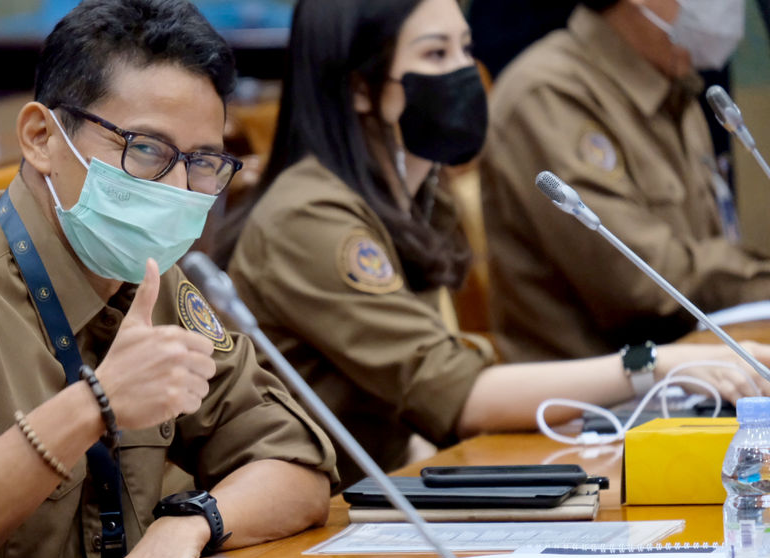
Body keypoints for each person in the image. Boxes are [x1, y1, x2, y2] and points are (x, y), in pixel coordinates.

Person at [0, 1, 337, 558]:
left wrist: (191, 522)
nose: (179, 187)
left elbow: (298, 467)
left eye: (202, 160)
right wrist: (92, 408)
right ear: (41, 137)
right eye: (147, 150)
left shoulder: (152, 279)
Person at [221, 0, 770, 488]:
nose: (465, 71)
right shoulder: (309, 216)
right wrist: (656, 365)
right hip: (319, 515)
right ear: (361, 87)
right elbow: (455, 394)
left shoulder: (418, 198)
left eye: (465, 47)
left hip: (390, 491)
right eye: (436, 55)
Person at [480, 0, 770, 363]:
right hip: (589, 406)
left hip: (697, 373)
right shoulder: (548, 93)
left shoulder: (676, 85)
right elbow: (646, 283)